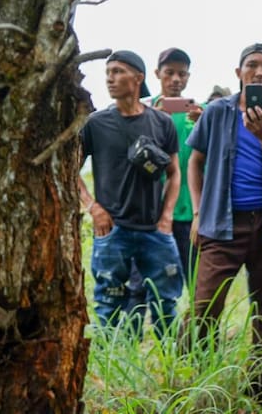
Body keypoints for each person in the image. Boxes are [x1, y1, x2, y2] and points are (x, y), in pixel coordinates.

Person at [185, 42, 262, 397]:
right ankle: (195, 381)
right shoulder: (217, 112)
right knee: (204, 306)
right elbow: (195, 161)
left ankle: (258, 391)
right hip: (222, 223)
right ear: (239, 73)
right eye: (252, 65)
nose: (260, 72)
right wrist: (196, 211)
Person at [78, 50, 183, 337]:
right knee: (108, 303)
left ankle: (172, 367)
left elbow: (174, 172)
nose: (110, 79)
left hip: (155, 231)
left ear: (138, 78)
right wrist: (92, 207)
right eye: (108, 73)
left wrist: (167, 217)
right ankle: (112, 367)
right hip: (113, 230)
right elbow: (69, 171)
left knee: (166, 304)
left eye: (118, 71)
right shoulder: (95, 124)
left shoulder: (162, 123)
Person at [151, 47, 201, 282]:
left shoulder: (200, 113)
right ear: (156, 74)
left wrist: (204, 126)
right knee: (146, 281)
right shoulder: (143, 110)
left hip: (189, 214)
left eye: (182, 74)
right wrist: (149, 119)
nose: (175, 79)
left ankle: (193, 321)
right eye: (169, 72)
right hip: (150, 211)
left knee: (194, 283)